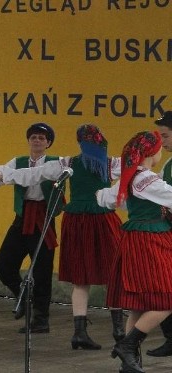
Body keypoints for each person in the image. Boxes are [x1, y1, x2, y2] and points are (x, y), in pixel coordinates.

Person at [0, 124, 125, 349]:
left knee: (81, 280)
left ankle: (79, 333)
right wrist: (112, 195)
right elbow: (137, 171)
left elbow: (33, 174)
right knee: (113, 274)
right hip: (102, 221)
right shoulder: (110, 164)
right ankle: (120, 333)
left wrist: (3, 173)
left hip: (77, 222)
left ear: (80, 143)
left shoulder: (69, 164)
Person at [96, 131, 172, 373]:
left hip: (138, 238)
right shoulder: (146, 179)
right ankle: (128, 346)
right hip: (150, 241)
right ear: (153, 152)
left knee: (139, 304)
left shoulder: (133, 177)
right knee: (166, 299)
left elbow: (104, 198)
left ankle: (130, 363)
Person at [0, 123, 64, 333]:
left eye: (41, 137)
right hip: (23, 216)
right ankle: (23, 294)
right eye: (33, 137)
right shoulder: (18, 161)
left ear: (48, 143)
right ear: (29, 141)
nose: (37, 140)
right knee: (3, 262)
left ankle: (41, 319)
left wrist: (4, 174)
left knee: (42, 269)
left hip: (44, 217)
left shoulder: (55, 163)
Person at [147, 110, 172, 358]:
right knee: (165, 287)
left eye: (165, 136)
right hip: (169, 234)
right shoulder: (168, 164)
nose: (162, 142)